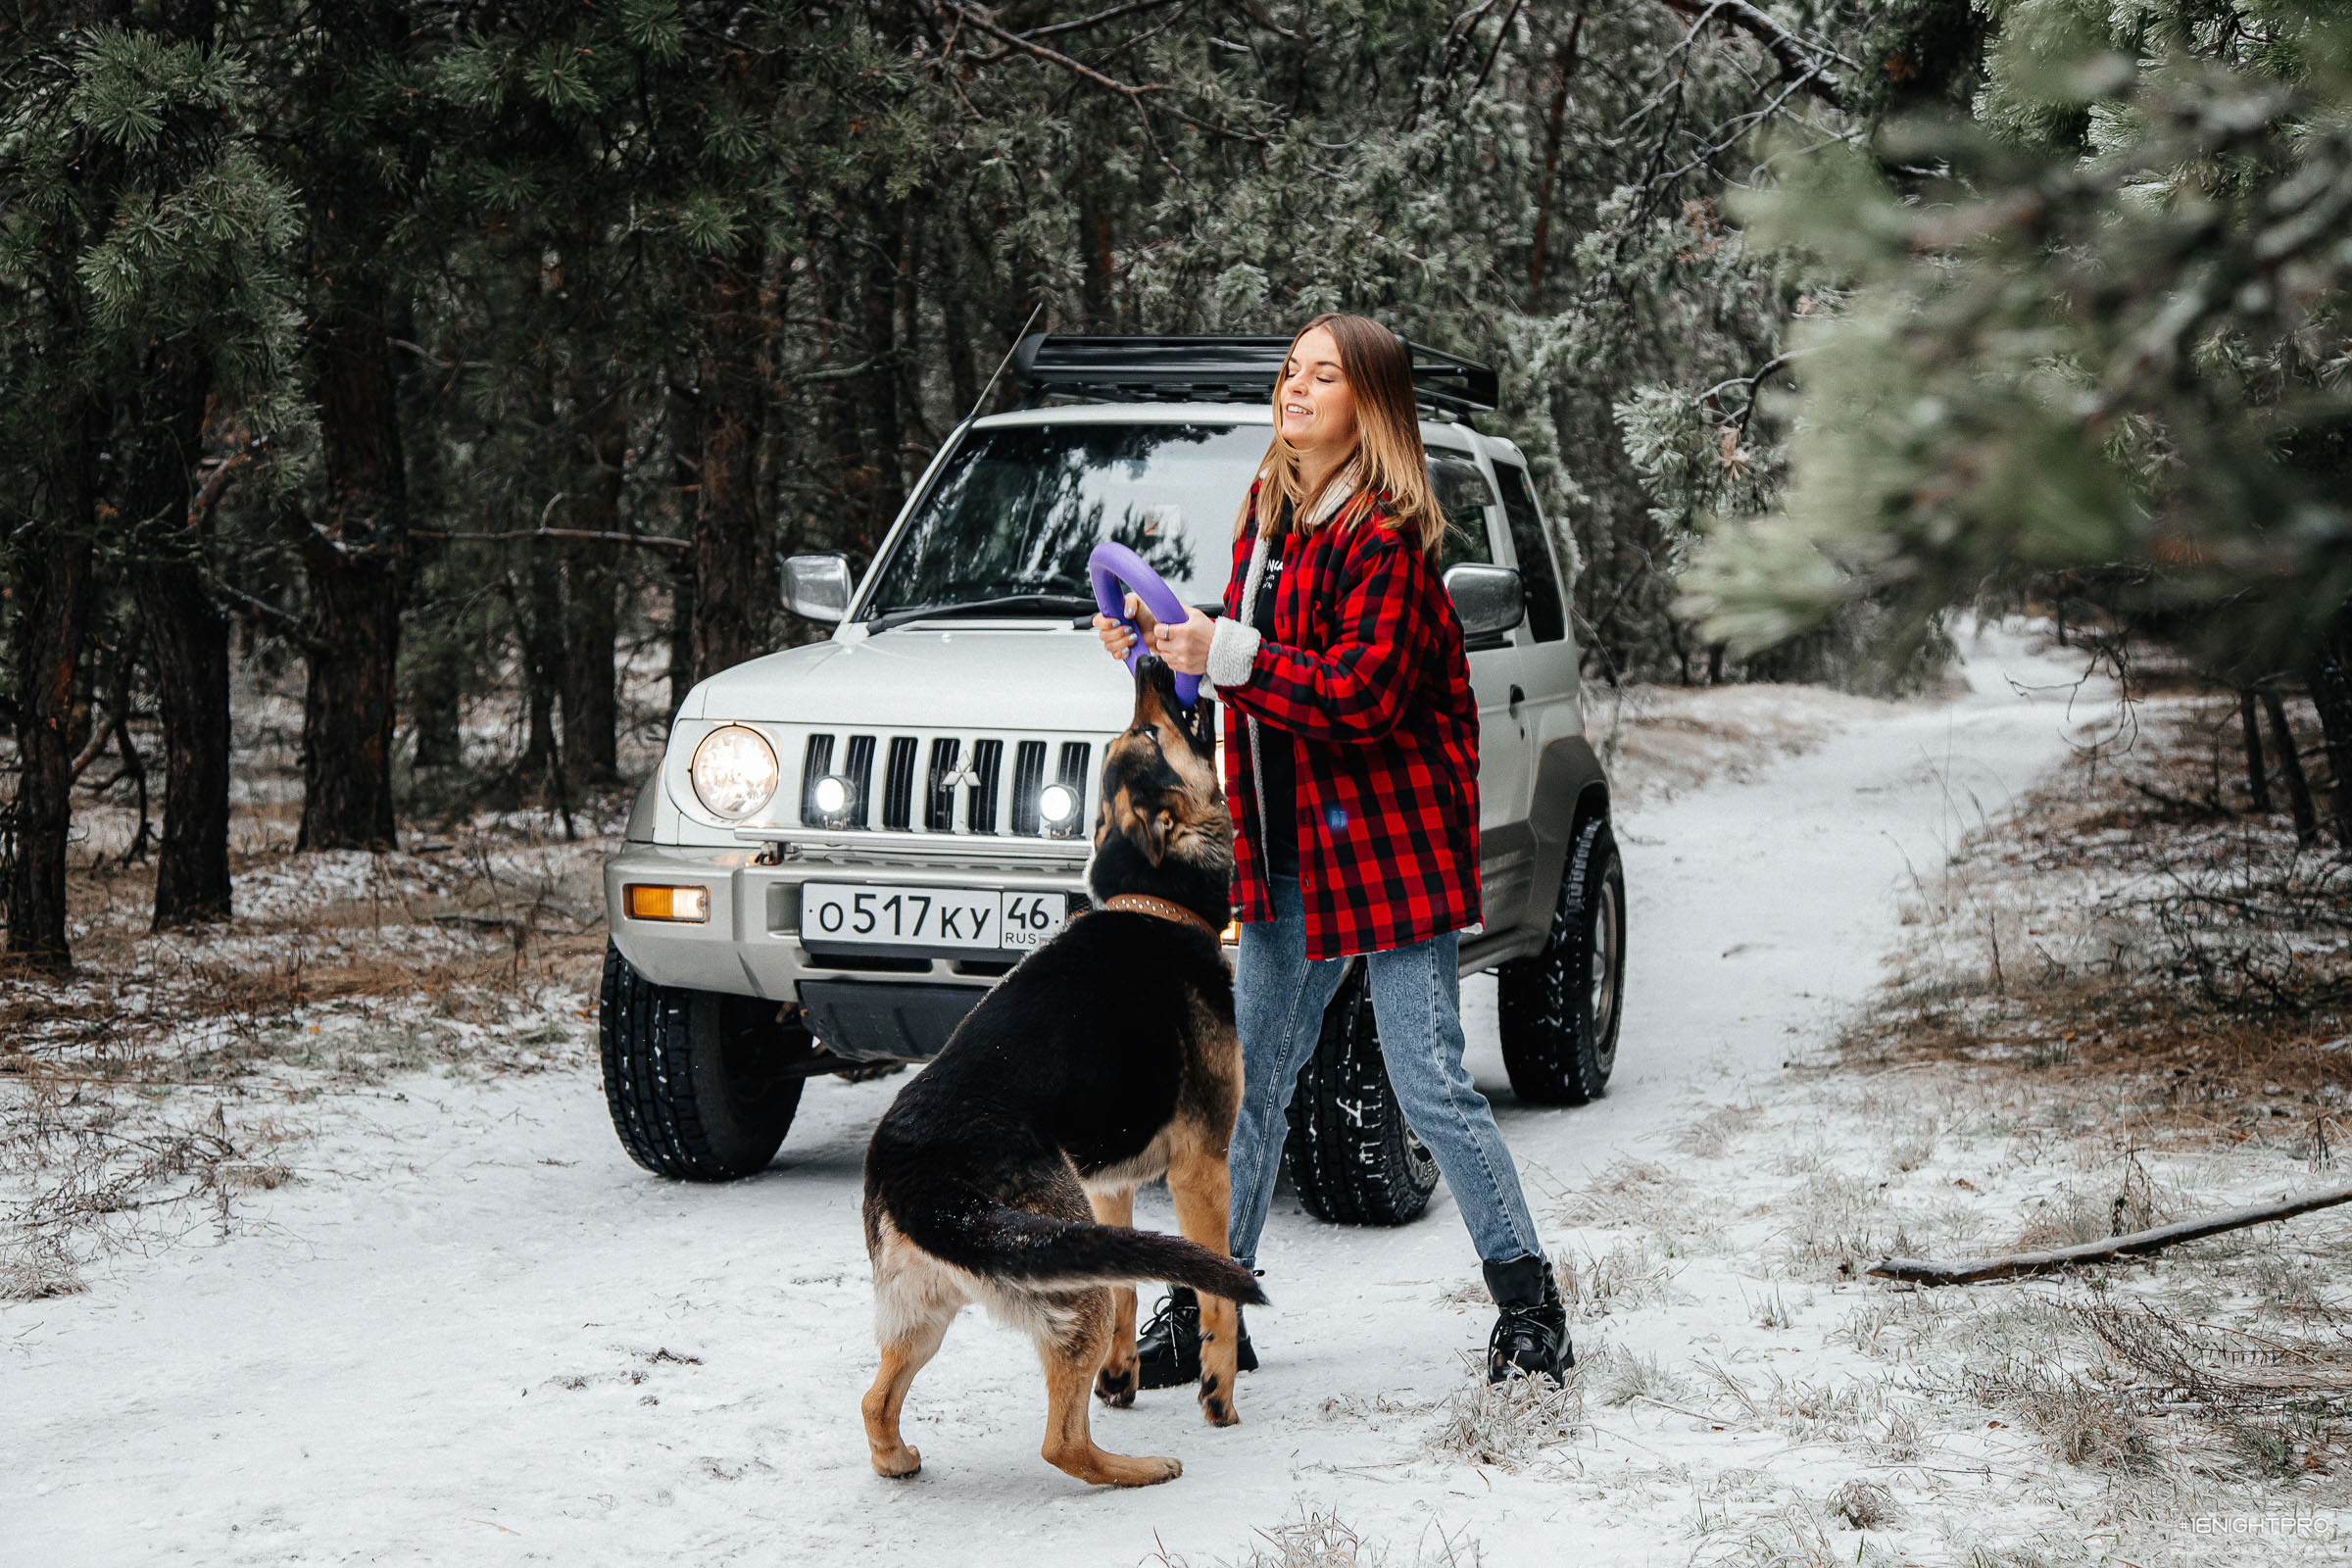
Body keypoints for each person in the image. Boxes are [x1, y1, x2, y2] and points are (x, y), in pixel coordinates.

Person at [1092, 313, 1569, 1386]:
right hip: (1289, 845)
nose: (1297, 387)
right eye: (1290, 370)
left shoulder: (1388, 534)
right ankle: (1215, 1314)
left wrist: (1229, 650)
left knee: (1429, 1079)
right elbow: (1242, 678)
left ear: (1371, 405)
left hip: (1387, 851)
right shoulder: (1267, 512)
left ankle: (1532, 1306)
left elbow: (1359, 694)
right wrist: (1161, 648)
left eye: (1325, 374)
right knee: (1249, 1084)